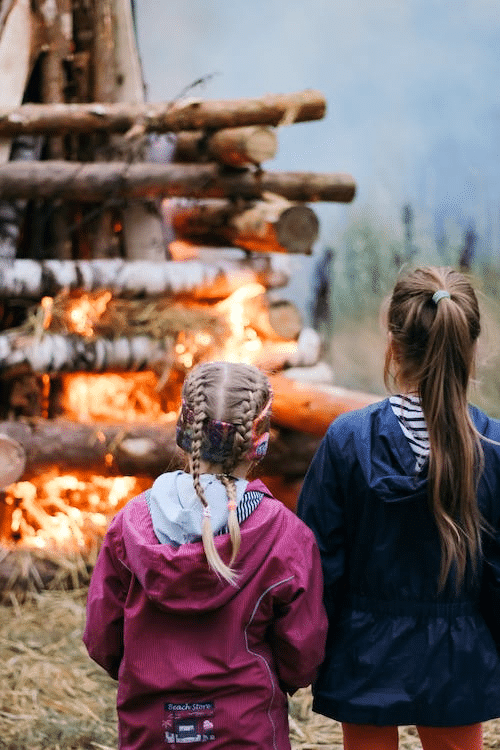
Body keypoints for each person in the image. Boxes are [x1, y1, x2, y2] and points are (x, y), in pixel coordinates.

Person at [297, 266, 500, 750]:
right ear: (469, 348)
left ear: (392, 343)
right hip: (459, 655)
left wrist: (305, 652)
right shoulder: (492, 446)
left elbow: (317, 559)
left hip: (363, 651)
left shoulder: (347, 440)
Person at [83, 360, 327, 750]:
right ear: (259, 439)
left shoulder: (129, 525)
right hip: (247, 729)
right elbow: (303, 653)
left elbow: (102, 639)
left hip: (151, 729)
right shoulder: (286, 536)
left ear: (184, 428)